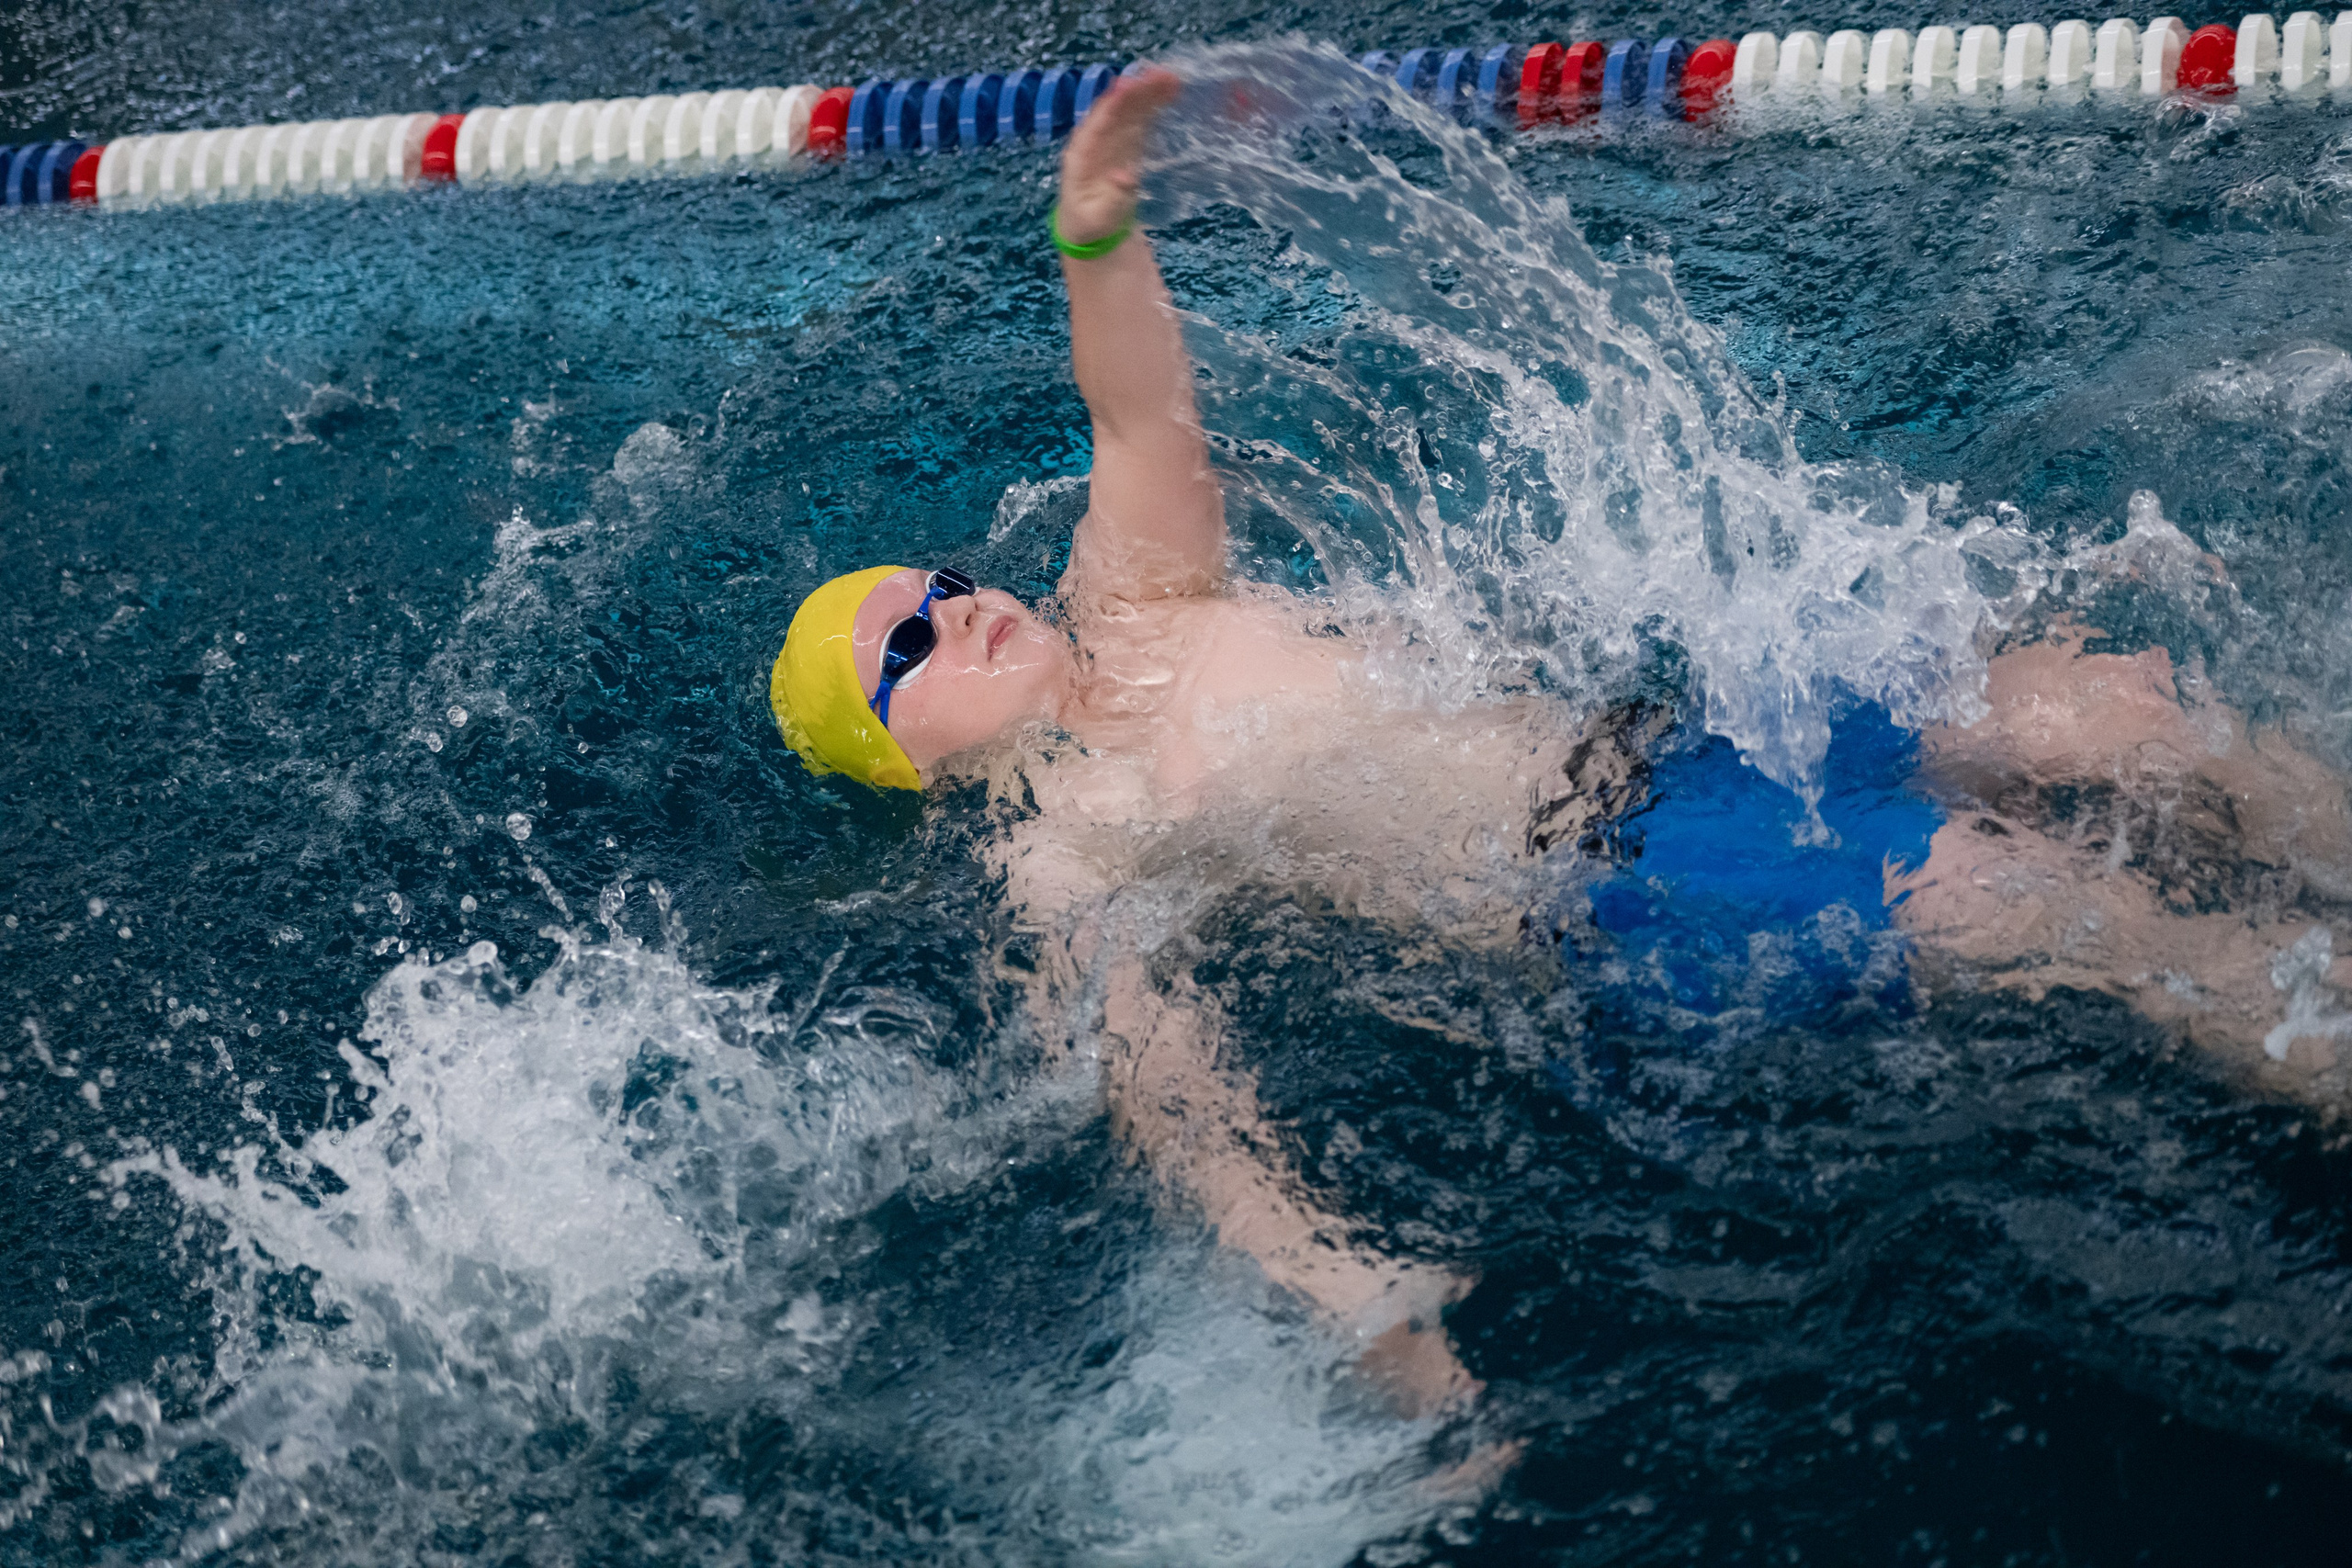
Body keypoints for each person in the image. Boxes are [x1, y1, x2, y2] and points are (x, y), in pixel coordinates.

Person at [770, 65, 2352, 1421]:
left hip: (1674, 717)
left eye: (946, 585)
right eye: (904, 646)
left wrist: (1097, 231)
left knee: (2128, 718)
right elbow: (1166, 1091)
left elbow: (1136, 420)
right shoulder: (1069, 845)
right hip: (1637, 869)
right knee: (2064, 906)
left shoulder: (1139, 606)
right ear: (904, 765)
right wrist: (1336, 1286)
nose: (956, 610)